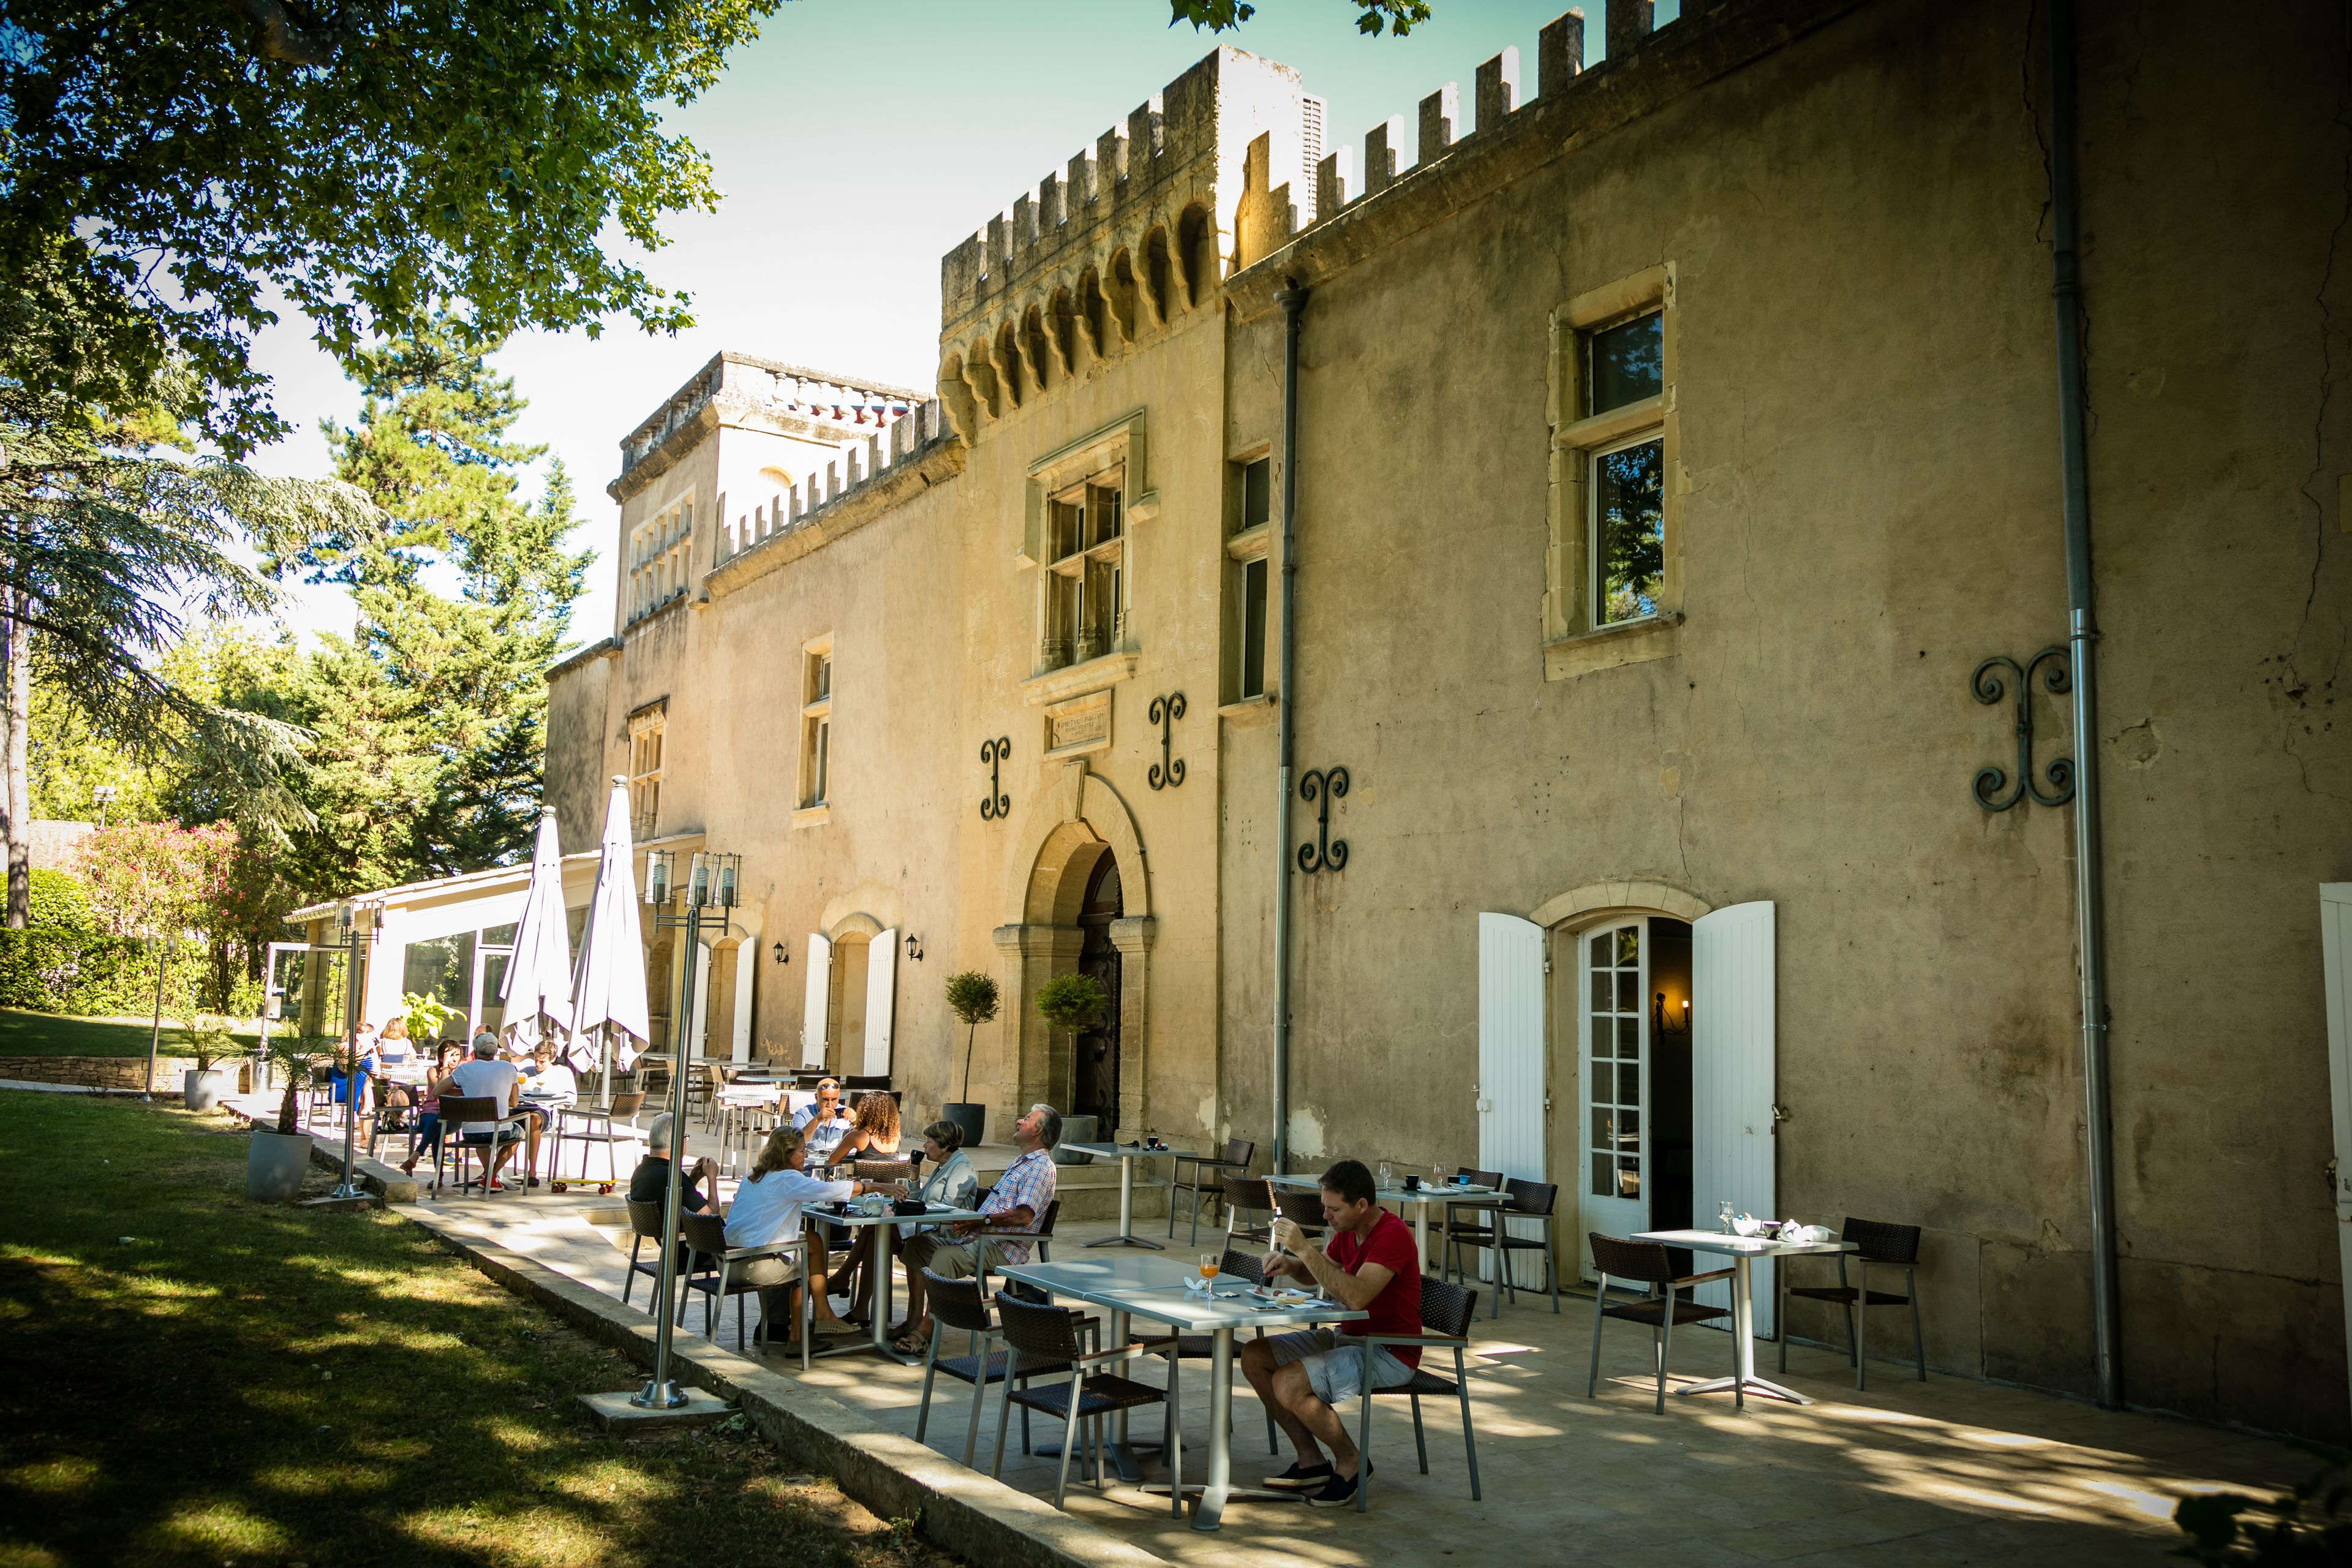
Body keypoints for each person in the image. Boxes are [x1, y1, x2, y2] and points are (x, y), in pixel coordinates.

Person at [1240, 1157, 1425, 1509]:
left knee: (1290, 1383)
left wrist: (1305, 1249)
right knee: (1255, 1355)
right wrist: (1293, 1266)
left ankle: (1352, 1462)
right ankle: (1311, 1461)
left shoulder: (1392, 1235)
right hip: (1348, 1336)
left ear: (1361, 1205)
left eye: (1333, 1209)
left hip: (1389, 1350)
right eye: (1324, 1208)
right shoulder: (1348, 1231)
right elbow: (1325, 1271)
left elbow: (1355, 1296)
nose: (1326, 1216)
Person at [895, 1103, 1060, 1349]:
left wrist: (981, 1221)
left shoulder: (1040, 1168)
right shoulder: (1021, 1162)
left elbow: (1023, 1216)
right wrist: (975, 1222)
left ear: (1038, 1132)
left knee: (944, 1257)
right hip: (977, 1238)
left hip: (1001, 1247)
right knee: (916, 1247)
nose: (1018, 1121)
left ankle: (924, 1331)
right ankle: (914, 1318)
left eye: (1026, 1119)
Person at [723, 1123, 899, 1351]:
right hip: (752, 1265)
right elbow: (830, 1191)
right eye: (802, 1151)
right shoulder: (787, 1178)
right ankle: (797, 1339)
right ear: (787, 1154)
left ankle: (822, 1313)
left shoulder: (753, 1175)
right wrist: (875, 1186)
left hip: (729, 1261)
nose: (806, 1155)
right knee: (803, 1260)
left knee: (812, 1239)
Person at [890, 1120, 982, 1355]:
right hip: (930, 1228)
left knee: (907, 1242)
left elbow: (947, 1208)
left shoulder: (961, 1168)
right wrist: (914, 1175)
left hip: (950, 1234)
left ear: (943, 1145)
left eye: (929, 1142)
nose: (925, 1146)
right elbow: (920, 1199)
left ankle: (920, 1324)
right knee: (909, 1246)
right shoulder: (943, 1165)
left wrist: (915, 1214)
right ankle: (913, 1318)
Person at [447, 1034, 525, 1189]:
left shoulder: (464, 1069)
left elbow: (438, 1091)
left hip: (471, 1133)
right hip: (498, 1130)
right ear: (496, 1050)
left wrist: (468, 1093)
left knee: (481, 1130)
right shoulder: (508, 1068)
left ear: (475, 1051)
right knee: (519, 1133)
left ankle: (489, 1177)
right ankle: (490, 1176)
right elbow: (514, 1102)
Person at [628, 1111, 718, 1215]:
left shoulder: (641, 1170)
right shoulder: (671, 1177)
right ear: (678, 1142)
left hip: (659, 1230)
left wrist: (693, 1177)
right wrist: (712, 1178)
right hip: (680, 1231)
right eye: (685, 1137)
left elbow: (677, 1197)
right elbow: (711, 1215)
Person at [399, 1040, 468, 1176]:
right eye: (450, 1056)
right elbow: (441, 1089)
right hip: (430, 1112)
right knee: (438, 1126)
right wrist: (445, 1068)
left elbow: (445, 1091)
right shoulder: (432, 1071)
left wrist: (452, 1091)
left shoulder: (463, 1072)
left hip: (453, 1116)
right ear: (442, 1057)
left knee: (439, 1123)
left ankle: (418, 1154)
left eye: (457, 1055)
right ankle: (438, 1175)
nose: (454, 1059)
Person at [516, 1042, 578, 1187]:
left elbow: (572, 1098)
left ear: (553, 1059)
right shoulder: (526, 1071)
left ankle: (532, 1172)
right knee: (500, 1118)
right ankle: (492, 1172)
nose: (538, 1064)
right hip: (522, 1107)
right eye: (536, 1059)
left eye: (542, 1061)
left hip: (545, 1110)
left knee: (532, 1120)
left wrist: (554, 1097)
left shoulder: (562, 1073)